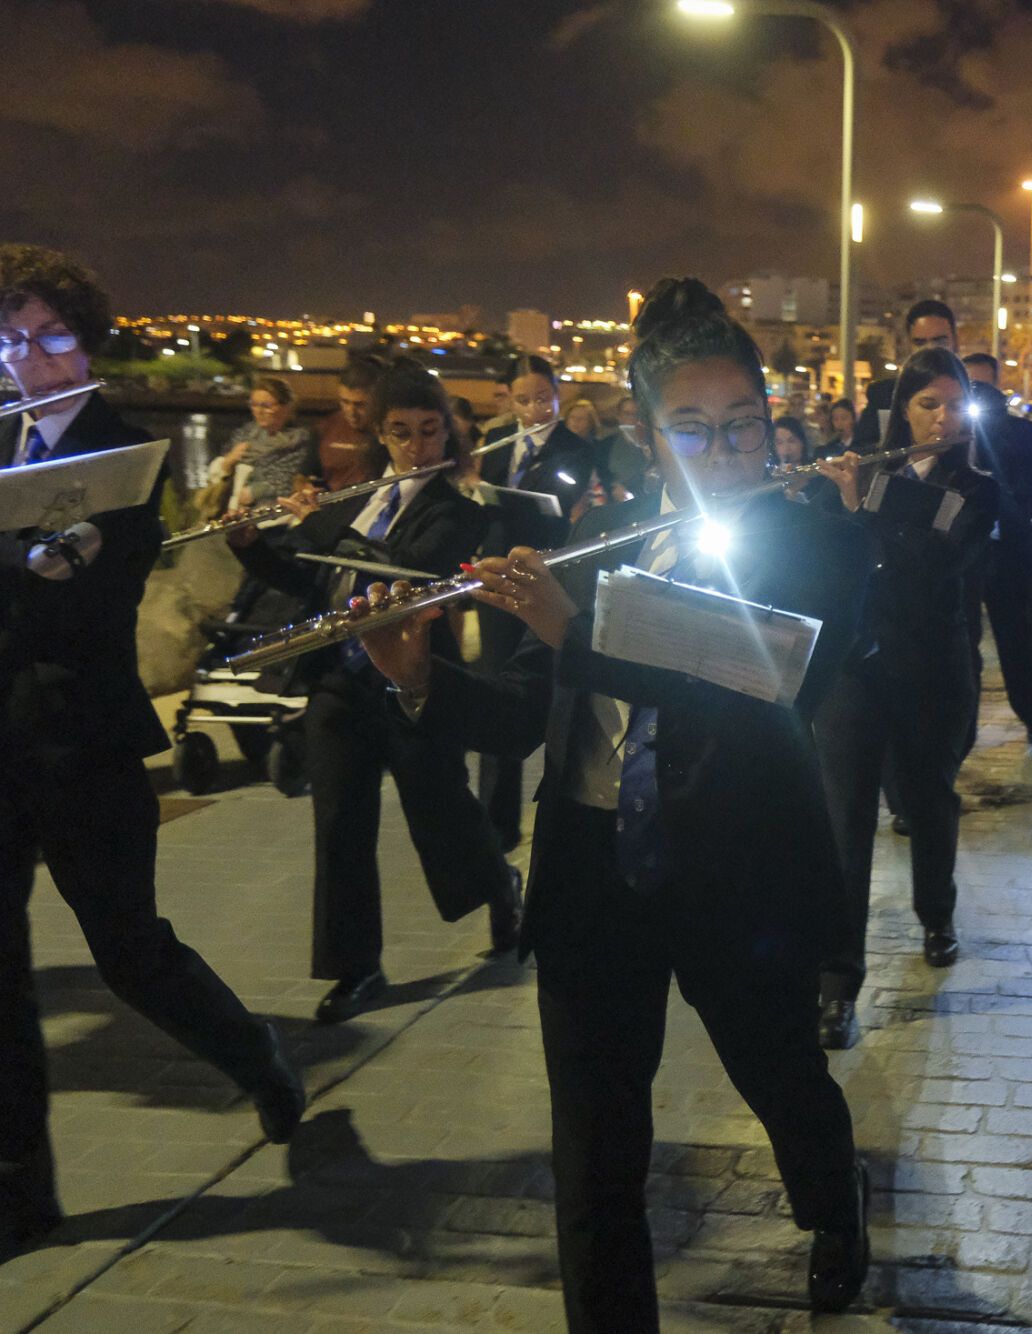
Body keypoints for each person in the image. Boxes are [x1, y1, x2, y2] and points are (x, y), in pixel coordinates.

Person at [355, 277, 873, 1322]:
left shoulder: (811, 538)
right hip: (593, 866)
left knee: (778, 1077)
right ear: (645, 433)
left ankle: (834, 1206)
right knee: (593, 1147)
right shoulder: (610, 533)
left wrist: (573, 630)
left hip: (736, 873)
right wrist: (414, 674)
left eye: (743, 428)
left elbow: (757, 683)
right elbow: (521, 711)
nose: (725, 456)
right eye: (693, 431)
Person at [0, 245, 305, 1264]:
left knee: (128, 952)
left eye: (48, 336)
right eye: (10, 337)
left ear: (85, 341)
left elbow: (71, 604)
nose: (26, 357)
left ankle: (254, 1053)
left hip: (78, 739)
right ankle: (22, 1193)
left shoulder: (124, 456)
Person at [225, 358, 522, 1025]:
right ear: (381, 436)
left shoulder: (457, 513)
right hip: (339, 681)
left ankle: (501, 886)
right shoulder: (356, 497)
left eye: (429, 430)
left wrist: (319, 523)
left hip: (413, 683)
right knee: (338, 825)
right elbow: (310, 580)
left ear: (448, 433)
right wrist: (251, 545)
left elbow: (401, 572)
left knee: (439, 809)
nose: (417, 446)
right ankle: (356, 967)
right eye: (401, 433)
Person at [813, 348, 1001, 1051]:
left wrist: (862, 503)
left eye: (956, 405)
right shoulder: (865, 467)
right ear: (902, 413)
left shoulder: (976, 486)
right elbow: (828, 555)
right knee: (844, 823)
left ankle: (937, 912)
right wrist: (818, 495)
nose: (943, 418)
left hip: (932, 673)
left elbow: (933, 556)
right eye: (929, 405)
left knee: (928, 801)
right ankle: (837, 986)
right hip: (853, 673)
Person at [473, 355, 600, 852]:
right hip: (496, 565)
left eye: (543, 398)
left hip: (545, 569)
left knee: (541, 682)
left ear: (557, 394)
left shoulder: (574, 447)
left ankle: (556, 800)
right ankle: (495, 819)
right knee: (494, 678)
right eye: (523, 400)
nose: (534, 409)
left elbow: (564, 503)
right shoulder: (496, 441)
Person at [965, 352, 1032, 744]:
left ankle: (1031, 712)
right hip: (961, 554)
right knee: (963, 648)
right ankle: (961, 728)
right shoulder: (946, 428)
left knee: (1017, 640)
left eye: (981, 387)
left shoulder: (1023, 433)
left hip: (1009, 550)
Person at [854, 300, 957, 451]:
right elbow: (862, 450)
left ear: (955, 340)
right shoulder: (883, 394)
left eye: (939, 341)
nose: (930, 349)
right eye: (920, 343)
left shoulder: (983, 395)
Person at [209, 377, 313, 508]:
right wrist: (228, 462)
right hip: (233, 511)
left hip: (273, 515)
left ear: (286, 407)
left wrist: (252, 492)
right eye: (254, 404)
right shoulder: (245, 434)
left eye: (266, 406)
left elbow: (288, 481)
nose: (259, 411)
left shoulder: (299, 441)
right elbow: (217, 476)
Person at [316, 358, 384, 492]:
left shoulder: (389, 433)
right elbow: (305, 473)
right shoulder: (327, 426)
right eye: (345, 402)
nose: (351, 412)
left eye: (360, 405)